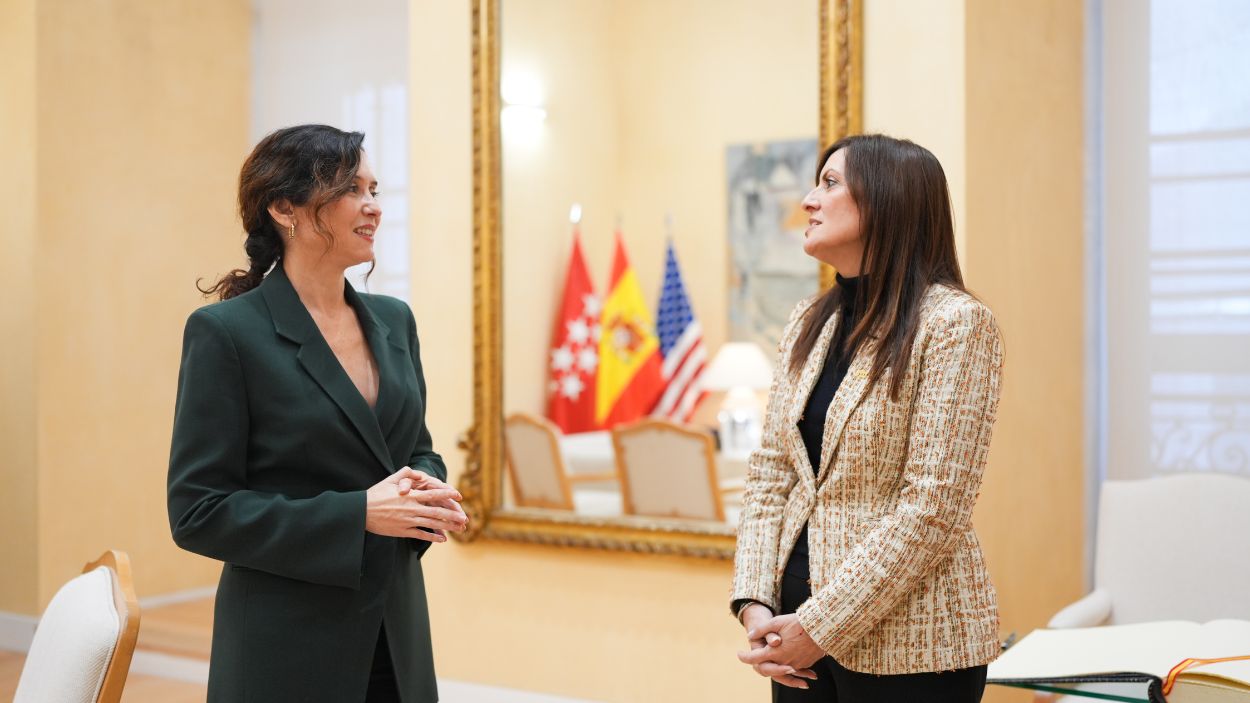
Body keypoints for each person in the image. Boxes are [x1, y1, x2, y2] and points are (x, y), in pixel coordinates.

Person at [167, 124, 466, 703]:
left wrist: (427, 491)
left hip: (397, 636)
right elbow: (198, 511)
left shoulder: (395, 320)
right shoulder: (225, 334)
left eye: (375, 188)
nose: (374, 207)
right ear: (285, 208)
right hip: (286, 648)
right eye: (352, 189)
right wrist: (358, 514)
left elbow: (415, 449)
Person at [731, 134, 1004, 702]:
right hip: (792, 637)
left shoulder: (955, 324)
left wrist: (820, 626)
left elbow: (933, 507)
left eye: (830, 184)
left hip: (914, 649)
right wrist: (756, 602)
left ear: (886, 203)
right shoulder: (808, 320)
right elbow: (771, 474)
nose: (809, 199)